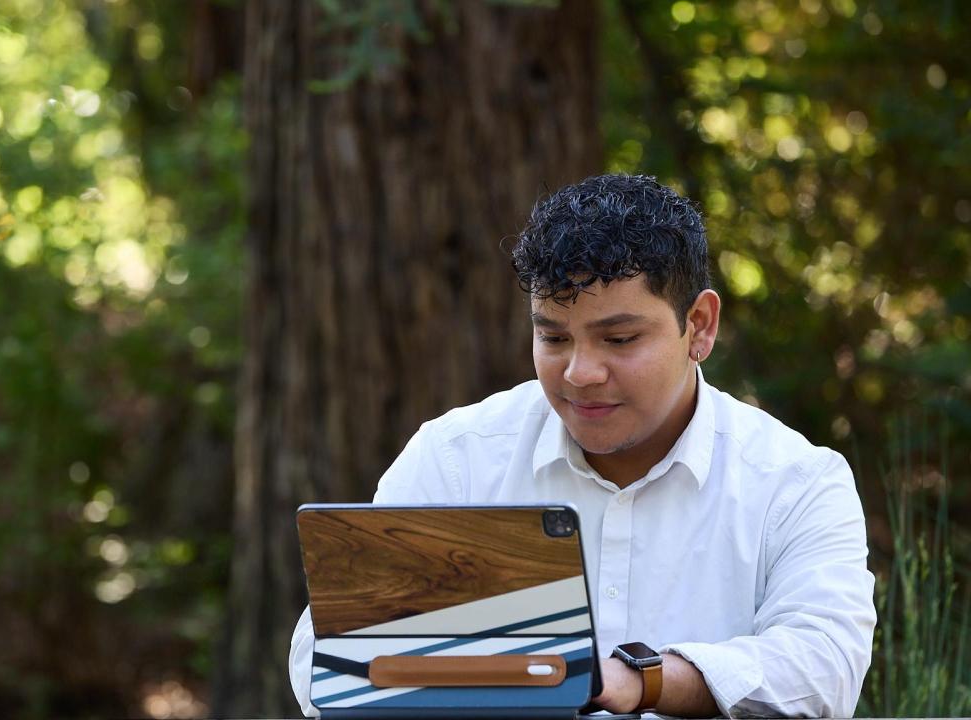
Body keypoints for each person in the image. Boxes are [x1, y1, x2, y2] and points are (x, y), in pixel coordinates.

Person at [288, 174, 876, 718]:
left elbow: (824, 668)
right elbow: (324, 648)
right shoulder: (458, 456)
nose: (579, 372)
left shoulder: (796, 481)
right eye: (554, 337)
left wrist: (640, 679)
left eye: (619, 338)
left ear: (699, 325)